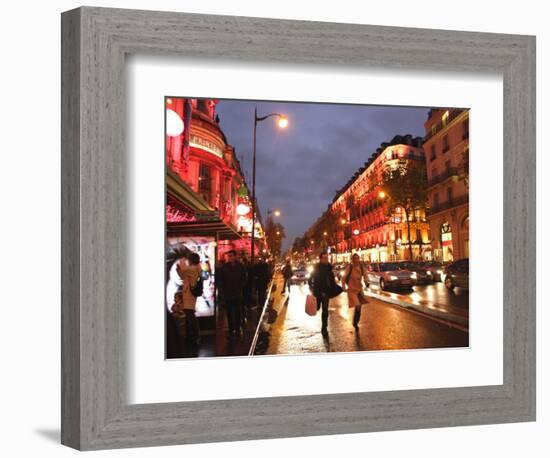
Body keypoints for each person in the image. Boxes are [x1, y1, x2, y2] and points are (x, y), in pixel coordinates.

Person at [172, 252, 203, 345]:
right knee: (190, 315)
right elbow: (182, 275)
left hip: (189, 294)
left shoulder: (193, 268)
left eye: (189, 259)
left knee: (190, 315)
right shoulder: (196, 268)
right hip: (189, 294)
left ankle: (195, 337)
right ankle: (194, 336)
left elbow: (182, 271)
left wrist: (179, 265)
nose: (188, 261)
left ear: (191, 260)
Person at [217, 250, 247, 336]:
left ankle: (237, 328)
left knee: (237, 312)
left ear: (235, 256)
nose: (229, 258)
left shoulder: (240, 267)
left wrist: (240, 287)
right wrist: (222, 290)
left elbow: (244, 278)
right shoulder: (224, 267)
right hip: (228, 294)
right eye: (228, 256)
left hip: (237, 293)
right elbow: (220, 280)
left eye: (230, 256)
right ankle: (231, 329)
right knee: (229, 312)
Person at [308, 251, 338, 335]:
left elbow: (332, 279)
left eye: (327, 258)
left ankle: (324, 327)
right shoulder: (316, 268)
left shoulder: (329, 268)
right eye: (324, 258)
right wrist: (311, 288)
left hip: (326, 291)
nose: (326, 260)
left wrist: (335, 287)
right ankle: (317, 307)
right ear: (320, 259)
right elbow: (310, 279)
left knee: (325, 309)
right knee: (317, 308)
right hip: (317, 291)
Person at [342, 253, 369, 329]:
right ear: (353, 260)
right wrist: (343, 287)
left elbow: (365, 275)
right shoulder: (349, 267)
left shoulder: (361, 267)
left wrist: (366, 282)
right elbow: (343, 278)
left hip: (359, 290)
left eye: (358, 258)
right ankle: (355, 323)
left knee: (359, 308)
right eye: (355, 258)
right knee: (357, 305)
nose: (357, 260)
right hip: (352, 290)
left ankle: (356, 322)